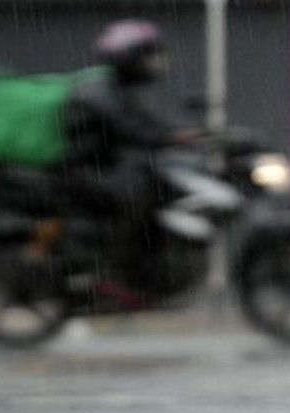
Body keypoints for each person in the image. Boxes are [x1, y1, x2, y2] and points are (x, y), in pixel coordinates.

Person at [59, 19, 199, 268]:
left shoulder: (118, 90)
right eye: (148, 55)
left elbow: (144, 123)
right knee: (138, 195)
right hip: (87, 171)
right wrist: (171, 138)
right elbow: (129, 128)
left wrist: (179, 134)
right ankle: (116, 266)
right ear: (129, 58)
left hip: (103, 167)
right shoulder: (100, 92)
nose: (155, 63)